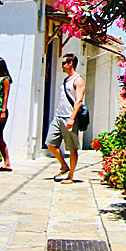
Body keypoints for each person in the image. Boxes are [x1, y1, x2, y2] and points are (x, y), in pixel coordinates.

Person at [45, 53, 86, 184]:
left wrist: (72, 118)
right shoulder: (66, 80)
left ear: (70, 64)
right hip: (58, 116)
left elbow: (78, 100)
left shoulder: (78, 80)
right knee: (50, 143)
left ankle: (71, 176)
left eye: (64, 63)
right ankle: (63, 165)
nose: (62, 66)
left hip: (69, 117)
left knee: (72, 148)